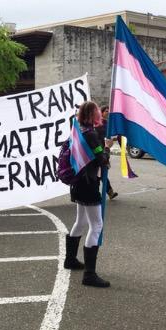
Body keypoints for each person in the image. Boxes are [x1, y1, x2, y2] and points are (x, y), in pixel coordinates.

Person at [65, 101, 112, 288]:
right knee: (96, 224)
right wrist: (107, 147)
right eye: (97, 113)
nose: (100, 115)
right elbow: (102, 159)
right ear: (93, 115)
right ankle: (89, 275)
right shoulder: (91, 134)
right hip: (88, 184)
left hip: (77, 183)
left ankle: (70, 260)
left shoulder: (76, 130)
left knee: (81, 222)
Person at [95, 105, 118, 200]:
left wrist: (113, 140)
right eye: (106, 111)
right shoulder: (96, 123)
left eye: (109, 111)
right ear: (102, 112)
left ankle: (109, 192)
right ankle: (108, 192)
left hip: (105, 150)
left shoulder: (107, 123)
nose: (108, 113)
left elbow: (109, 137)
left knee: (103, 172)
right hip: (98, 151)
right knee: (100, 173)